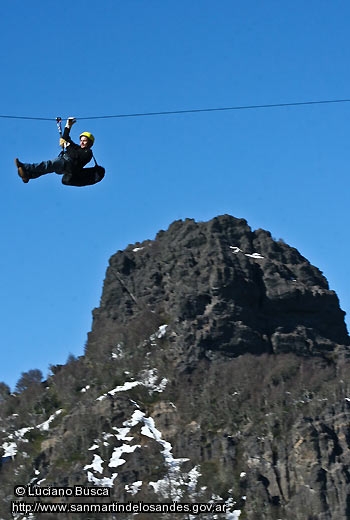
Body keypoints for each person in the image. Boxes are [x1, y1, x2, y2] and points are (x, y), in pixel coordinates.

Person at [15, 117, 96, 184]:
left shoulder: (88, 153)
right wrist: (68, 126)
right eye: (81, 140)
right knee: (46, 169)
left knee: (47, 164)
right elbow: (66, 138)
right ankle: (28, 176)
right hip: (63, 163)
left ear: (89, 143)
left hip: (67, 165)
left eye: (84, 141)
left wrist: (67, 146)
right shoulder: (77, 147)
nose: (82, 142)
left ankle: (25, 166)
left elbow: (75, 156)